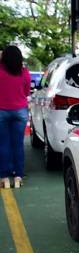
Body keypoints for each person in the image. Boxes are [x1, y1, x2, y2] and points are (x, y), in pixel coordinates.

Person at [0, 45, 32, 189]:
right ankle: (18, 176)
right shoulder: (24, 72)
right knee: (18, 144)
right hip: (20, 111)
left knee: (3, 144)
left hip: (2, 111)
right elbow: (26, 92)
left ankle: (4, 178)